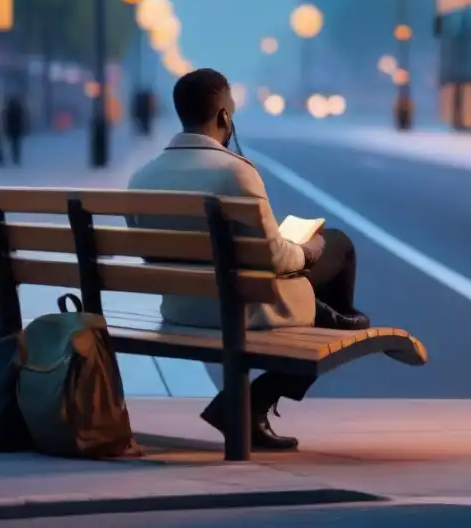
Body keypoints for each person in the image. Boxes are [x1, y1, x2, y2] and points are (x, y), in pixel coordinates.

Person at [126, 68, 368, 451]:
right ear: (224, 116)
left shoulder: (142, 176)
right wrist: (307, 251)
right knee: (338, 246)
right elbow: (273, 257)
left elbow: (147, 251)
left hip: (180, 307)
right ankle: (255, 399)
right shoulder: (236, 172)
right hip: (238, 310)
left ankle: (331, 317)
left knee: (332, 302)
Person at [4, 96, 27, 165]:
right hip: (17, 130)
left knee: (14, 144)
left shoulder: (9, 111)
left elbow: (7, 122)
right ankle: (16, 158)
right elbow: (21, 121)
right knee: (16, 145)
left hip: (12, 130)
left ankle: (15, 157)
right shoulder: (18, 110)